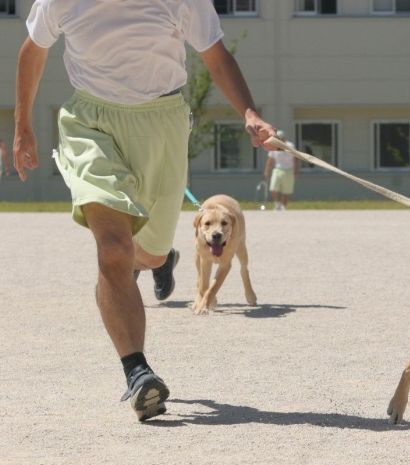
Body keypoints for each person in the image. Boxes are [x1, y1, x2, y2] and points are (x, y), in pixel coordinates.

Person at [14, 0, 277, 421]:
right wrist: (22, 126)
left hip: (162, 124)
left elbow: (215, 55)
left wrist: (247, 111)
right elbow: (33, 49)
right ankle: (137, 372)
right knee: (114, 250)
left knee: (148, 254)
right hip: (91, 125)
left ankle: (158, 261)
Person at [263, 130, 300, 210]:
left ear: (284, 138)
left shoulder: (290, 145)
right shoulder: (273, 146)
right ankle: (277, 204)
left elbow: (295, 158)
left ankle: (283, 206)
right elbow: (270, 159)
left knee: (287, 190)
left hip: (289, 170)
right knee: (273, 188)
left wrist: (296, 170)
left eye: (280, 138)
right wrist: (266, 171)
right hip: (277, 169)